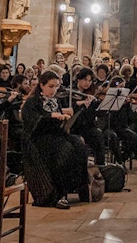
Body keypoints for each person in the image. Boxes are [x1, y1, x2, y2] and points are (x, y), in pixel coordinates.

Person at [21, 70, 88, 209]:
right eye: (51, 86)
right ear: (41, 85)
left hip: (54, 134)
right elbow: (35, 123)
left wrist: (64, 117)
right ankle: (58, 193)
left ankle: (78, 186)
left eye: (56, 86)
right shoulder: (32, 102)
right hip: (36, 139)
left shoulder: (55, 101)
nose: (54, 90)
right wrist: (53, 116)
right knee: (64, 150)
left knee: (78, 144)